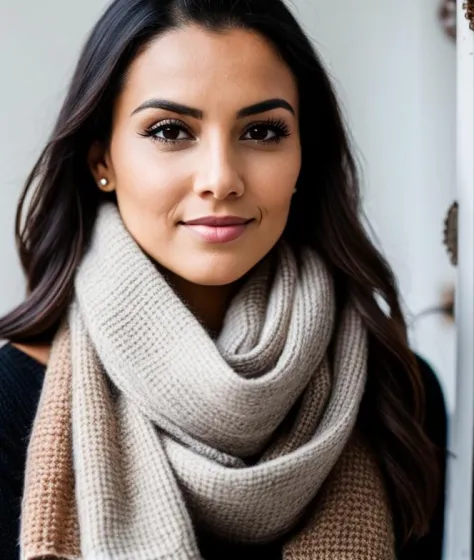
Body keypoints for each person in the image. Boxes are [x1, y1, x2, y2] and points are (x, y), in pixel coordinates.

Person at [0, 0, 444, 558]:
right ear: (101, 161)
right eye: (169, 130)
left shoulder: (400, 396)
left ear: (305, 155)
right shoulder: (11, 400)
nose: (220, 178)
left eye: (261, 131)